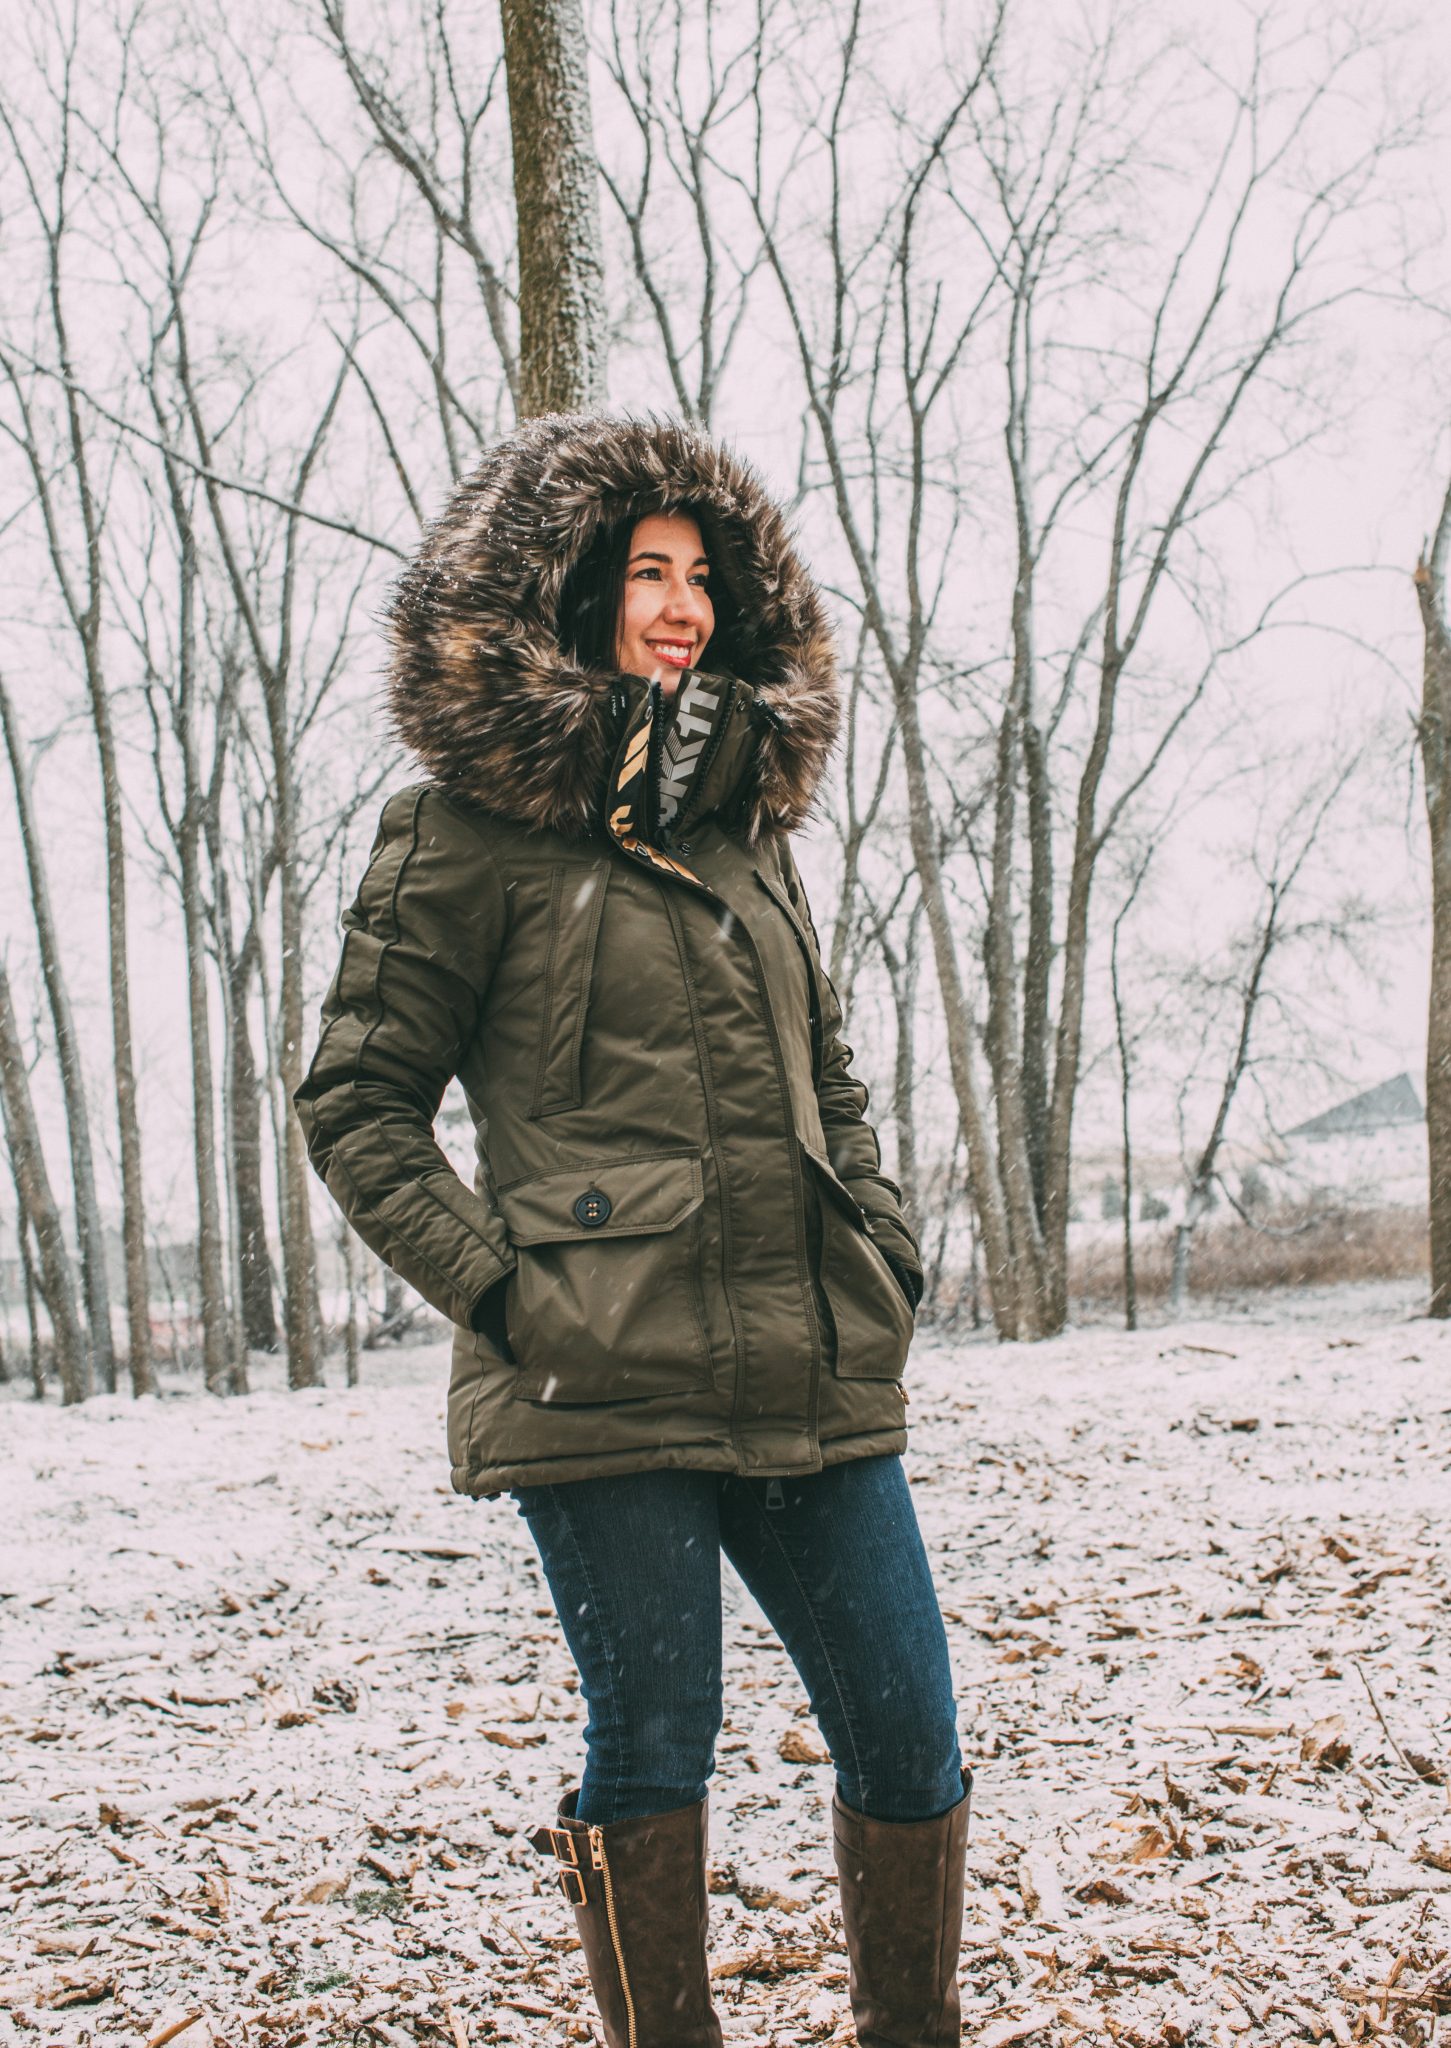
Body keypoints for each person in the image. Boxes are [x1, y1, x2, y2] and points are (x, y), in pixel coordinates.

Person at [294, 414, 971, 2048]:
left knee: (908, 1727)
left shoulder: (752, 821)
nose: (679, 605)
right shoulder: (459, 836)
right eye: (645, 573)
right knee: (656, 1742)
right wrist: (506, 1294)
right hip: (597, 1387)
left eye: (700, 577)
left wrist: (874, 1237)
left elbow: (833, 1069)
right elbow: (357, 1104)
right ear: (576, 594)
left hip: (809, 1355)